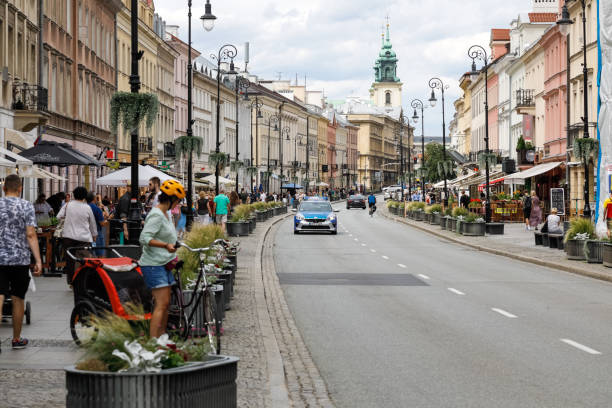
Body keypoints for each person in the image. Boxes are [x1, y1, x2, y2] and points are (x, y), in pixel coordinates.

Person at [0, 174, 42, 351]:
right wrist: (38, 260)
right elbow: (31, 234)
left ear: (4, 188)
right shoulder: (26, 206)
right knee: (18, 298)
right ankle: (16, 339)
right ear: (20, 189)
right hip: (20, 260)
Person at [139, 180, 184, 338]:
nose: (178, 203)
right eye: (177, 200)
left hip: (164, 264)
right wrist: (165, 245)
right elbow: (144, 238)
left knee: (165, 305)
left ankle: (162, 338)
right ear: (172, 199)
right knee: (162, 303)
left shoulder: (166, 214)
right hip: (153, 264)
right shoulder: (157, 214)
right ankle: (154, 341)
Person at [57, 187, 97, 284]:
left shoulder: (67, 205)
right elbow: (92, 223)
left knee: (70, 261)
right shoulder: (87, 207)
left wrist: (68, 219)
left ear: (74, 195)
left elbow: (58, 217)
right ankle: (81, 280)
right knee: (83, 260)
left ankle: (71, 282)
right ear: (84, 196)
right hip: (84, 238)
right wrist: (94, 235)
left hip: (68, 237)